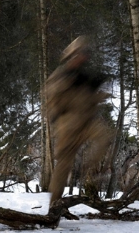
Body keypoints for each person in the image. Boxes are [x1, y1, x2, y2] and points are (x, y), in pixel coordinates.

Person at [46, 37, 111, 204]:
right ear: (71, 56)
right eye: (79, 54)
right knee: (63, 166)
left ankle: (87, 169)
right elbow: (53, 99)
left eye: (84, 54)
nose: (83, 57)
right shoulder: (61, 75)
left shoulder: (84, 75)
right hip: (67, 128)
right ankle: (54, 205)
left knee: (104, 137)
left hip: (86, 123)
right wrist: (69, 80)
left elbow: (86, 100)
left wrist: (98, 95)